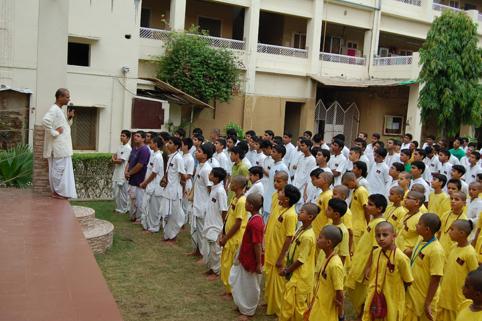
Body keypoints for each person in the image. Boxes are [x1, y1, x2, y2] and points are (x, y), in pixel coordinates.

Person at [361, 221, 413, 321]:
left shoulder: (401, 258)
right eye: (378, 235)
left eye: (385, 235)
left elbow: (408, 281)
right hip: (374, 297)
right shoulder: (376, 253)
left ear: (394, 236)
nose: (381, 238)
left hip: (392, 301)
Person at [346, 194, 387, 318]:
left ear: (379, 209)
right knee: (354, 292)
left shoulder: (380, 224)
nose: (367, 207)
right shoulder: (373, 221)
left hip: (366, 265)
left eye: (370, 205)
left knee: (364, 296)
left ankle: (362, 316)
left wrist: (369, 267)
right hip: (360, 261)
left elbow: (376, 248)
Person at [264, 183, 299, 317]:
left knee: (278, 285)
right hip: (271, 250)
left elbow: (289, 238)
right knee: (269, 281)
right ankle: (269, 303)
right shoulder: (279, 206)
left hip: (279, 254)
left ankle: (279, 310)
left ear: (287, 199)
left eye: (282, 192)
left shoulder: (291, 215)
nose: (279, 193)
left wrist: (280, 257)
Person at [278, 203, 317, 321]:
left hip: (301, 276)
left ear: (310, 217)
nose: (299, 213)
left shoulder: (308, 236)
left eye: (302, 212)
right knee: (288, 302)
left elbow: (301, 260)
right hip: (294, 272)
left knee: (299, 306)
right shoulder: (300, 229)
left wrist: (287, 271)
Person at [229, 194, 264, 319]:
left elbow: (257, 244)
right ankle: (242, 305)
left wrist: (259, 263)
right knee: (239, 281)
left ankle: (249, 311)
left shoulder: (256, 222)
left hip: (252, 259)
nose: (245, 204)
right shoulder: (253, 218)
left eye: (247, 202)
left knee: (250, 286)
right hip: (245, 256)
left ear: (251, 205)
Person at [405, 213, 444, 321]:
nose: (416, 225)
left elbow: (436, 278)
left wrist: (427, 303)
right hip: (413, 293)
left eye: (419, 224)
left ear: (427, 229)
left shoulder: (436, 251)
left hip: (424, 298)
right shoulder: (421, 240)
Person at [437, 220, 478, 321]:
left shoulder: (470, 253)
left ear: (462, 233)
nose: (449, 232)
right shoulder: (453, 247)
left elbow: (474, 276)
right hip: (445, 295)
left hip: (457, 299)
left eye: (452, 229)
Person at [42, 88, 77, 199]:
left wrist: (69, 118)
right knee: (58, 170)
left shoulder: (59, 110)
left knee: (61, 169)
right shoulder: (54, 109)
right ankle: (58, 192)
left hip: (63, 147)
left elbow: (64, 126)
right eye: (67, 97)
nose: (69, 99)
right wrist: (55, 132)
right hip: (59, 147)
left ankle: (61, 192)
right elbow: (45, 121)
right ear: (60, 97)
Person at [305, 225, 345, 321]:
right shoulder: (327, 257)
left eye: (320, 237)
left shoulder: (335, 265)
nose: (317, 239)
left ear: (328, 243)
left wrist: (341, 315)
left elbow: (339, 292)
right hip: (319, 304)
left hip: (326, 310)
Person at [220, 176, 248, 296]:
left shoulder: (242, 201)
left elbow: (238, 223)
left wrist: (226, 237)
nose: (230, 184)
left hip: (235, 238)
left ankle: (231, 291)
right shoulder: (235, 198)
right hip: (228, 236)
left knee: (231, 265)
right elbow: (229, 217)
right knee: (226, 263)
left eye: (232, 183)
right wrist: (223, 232)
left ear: (238, 186)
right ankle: (227, 289)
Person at [203, 167, 228, 280]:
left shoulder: (220, 191)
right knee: (210, 247)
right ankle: (212, 268)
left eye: (212, 174)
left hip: (217, 224)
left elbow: (224, 210)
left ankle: (217, 271)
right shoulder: (214, 188)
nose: (209, 175)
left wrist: (223, 225)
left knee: (216, 248)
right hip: (210, 221)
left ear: (217, 178)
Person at [160, 137, 186, 242]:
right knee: (165, 214)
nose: (167, 144)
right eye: (168, 142)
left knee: (175, 215)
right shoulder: (171, 156)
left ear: (176, 146)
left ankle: (173, 236)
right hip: (167, 191)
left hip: (174, 192)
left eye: (170, 143)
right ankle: (167, 235)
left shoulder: (178, 158)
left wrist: (181, 184)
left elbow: (183, 176)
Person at [190, 143, 214, 256]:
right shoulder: (199, 166)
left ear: (205, 155)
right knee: (197, 229)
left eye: (199, 151)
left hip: (203, 205)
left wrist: (209, 206)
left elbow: (210, 189)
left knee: (202, 230)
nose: (196, 152)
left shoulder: (207, 169)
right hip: (197, 203)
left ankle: (203, 254)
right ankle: (197, 250)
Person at [139, 136, 164, 233]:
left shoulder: (158, 156)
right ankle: (148, 225)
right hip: (150, 185)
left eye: (152, 142)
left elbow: (154, 173)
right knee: (147, 206)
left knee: (154, 208)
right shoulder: (153, 154)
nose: (150, 143)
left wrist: (145, 183)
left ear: (156, 144)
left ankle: (154, 227)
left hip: (155, 186)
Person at [126, 131, 150, 222]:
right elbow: (129, 161)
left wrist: (129, 173)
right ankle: (133, 216)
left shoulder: (144, 150)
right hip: (132, 178)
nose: (135, 137)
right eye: (135, 136)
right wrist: (126, 171)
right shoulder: (134, 148)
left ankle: (139, 218)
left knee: (139, 200)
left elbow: (140, 165)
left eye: (138, 136)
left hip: (139, 179)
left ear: (143, 139)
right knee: (132, 198)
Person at [262, 144, 289, 223]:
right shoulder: (273, 164)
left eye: (274, 152)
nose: (271, 153)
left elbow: (286, 185)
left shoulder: (283, 167)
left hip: (276, 196)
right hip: (269, 193)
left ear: (280, 154)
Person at [343, 172, 369, 245]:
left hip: (358, 226)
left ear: (353, 181)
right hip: (353, 224)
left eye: (347, 184)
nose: (347, 187)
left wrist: (368, 223)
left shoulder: (362, 191)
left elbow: (366, 208)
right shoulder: (355, 191)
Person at [396, 191, 424, 257]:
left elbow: (422, 241)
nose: (405, 200)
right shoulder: (407, 214)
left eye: (408, 198)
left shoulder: (420, 219)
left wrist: (407, 252)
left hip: (406, 255)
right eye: (405, 197)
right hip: (397, 251)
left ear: (417, 202)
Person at [112, 130, 132, 214]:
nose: (121, 137)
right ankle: (118, 207)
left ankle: (124, 209)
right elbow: (114, 155)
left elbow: (120, 161)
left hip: (122, 172)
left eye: (123, 136)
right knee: (115, 190)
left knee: (123, 191)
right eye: (121, 135)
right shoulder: (119, 147)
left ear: (128, 138)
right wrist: (114, 159)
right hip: (117, 172)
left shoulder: (128, 148)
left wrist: (114, 160)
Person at [325, 198, 350, 264]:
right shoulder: (328, 224)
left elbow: (343, 254)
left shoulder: (343, 231)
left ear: (336, 214)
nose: (326, 210)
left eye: (329, 209)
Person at [312, 171, 334, 238]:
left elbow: (330, 217)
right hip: (316, 229)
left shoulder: (328, 195)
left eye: (318, 178)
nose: (316, 180)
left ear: (325, 181)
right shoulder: (322, 194)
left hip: (321, 232)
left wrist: (325, 233)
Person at [181, 138, 195, 225]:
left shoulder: (190, 159)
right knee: (181, 202)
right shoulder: (181, 156)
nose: (181, 146)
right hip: (180, 182)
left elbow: (189, 174)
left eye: (182, 144)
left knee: (185, 203)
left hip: (186, 183)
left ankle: (184, 222)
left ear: (186, 146)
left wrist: (180, 176)